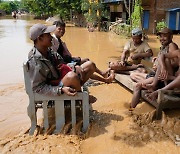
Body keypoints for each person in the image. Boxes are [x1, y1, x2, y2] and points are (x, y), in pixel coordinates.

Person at [28, 24, 114, 97]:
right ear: (40, 38)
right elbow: (38, 88)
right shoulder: (35, 60)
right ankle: (79, 97)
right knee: (72, 76)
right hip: (54, 87)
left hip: (60, 79)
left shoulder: (49, 51)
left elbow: (62, 64)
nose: (51, 37)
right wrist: (60, 89)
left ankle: (78, 92)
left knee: (90, 65)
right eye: (48, 35)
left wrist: (74, 66)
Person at [129, 28, 179, 109]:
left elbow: (176, 63)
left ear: (171, 37)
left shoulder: (171, 45)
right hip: (158, 76)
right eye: (161, 36)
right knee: (133, 76)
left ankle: (131, 109)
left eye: (165, 36)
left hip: (165, 78)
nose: (162, 38)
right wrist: (158, 60)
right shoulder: (164, 47)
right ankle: (133, 108)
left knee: (137, 85)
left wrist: (161, 65)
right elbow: (165, 57)